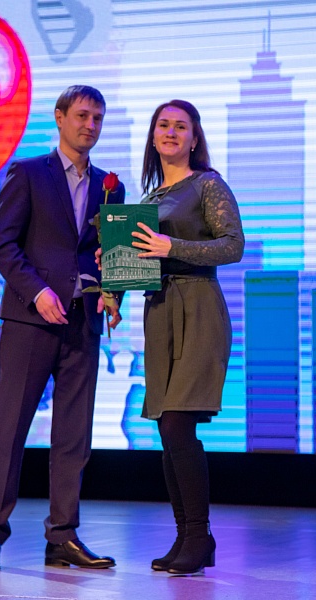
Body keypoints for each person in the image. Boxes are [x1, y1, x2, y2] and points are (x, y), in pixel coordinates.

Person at [0, 85, 125, 572]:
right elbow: (3, 244)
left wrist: (113, 295)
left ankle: (62, 537)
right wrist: (37, 292)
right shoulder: (29, 172)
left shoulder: (110, 187)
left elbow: (113, 256)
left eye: (98, 118)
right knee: (10, 431)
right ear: (59, 118)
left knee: (74, 437)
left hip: (83, 323)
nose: (90, 125)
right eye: (82, 115)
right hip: (30, 322)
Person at [120, 99, 244, 575]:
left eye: (181, 126)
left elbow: (232, 245)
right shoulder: (148, 199)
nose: (171, 132)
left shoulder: (208, 184)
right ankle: (185, 537)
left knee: (177, 424)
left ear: (194, 138)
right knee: (166, 429)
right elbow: (140, 260)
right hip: (159, 310)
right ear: (153, 137)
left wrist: (173, 245)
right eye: (163, 125)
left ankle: (199, 535)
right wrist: (113, 275)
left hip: (199, 307)